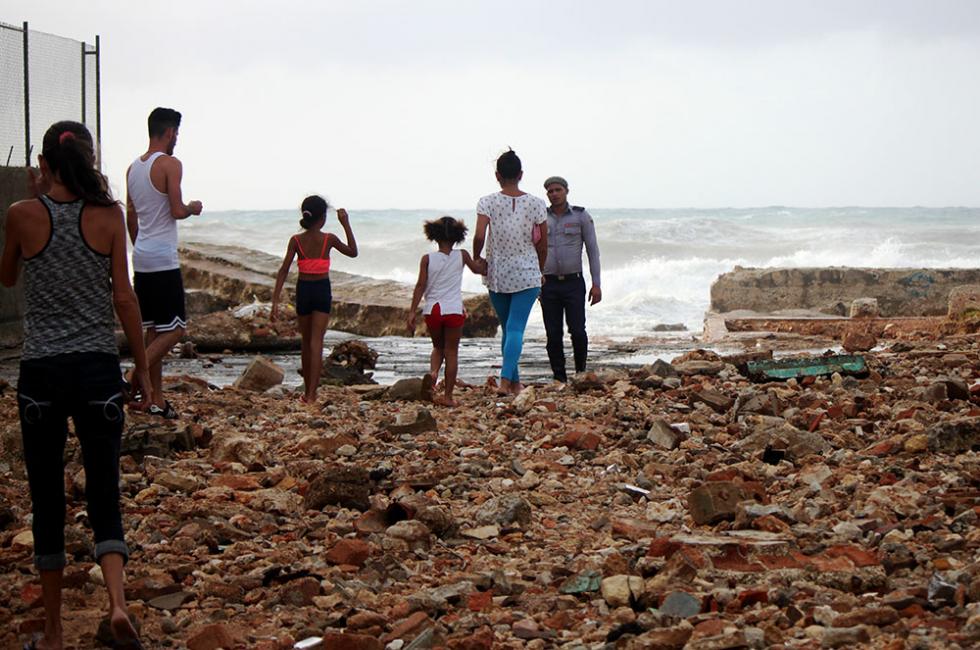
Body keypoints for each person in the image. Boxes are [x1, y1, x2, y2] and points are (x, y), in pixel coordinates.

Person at [1, 121, 150, 650]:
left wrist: (30, 204)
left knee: (46, 499)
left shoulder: (22, 215)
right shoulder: (109, 216)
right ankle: (116, 605)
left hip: (41, 372)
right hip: (96, 370)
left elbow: (7, 276)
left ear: (44, 163)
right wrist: (146, 373)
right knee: (105, 489)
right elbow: (125, 299)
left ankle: (57, 632)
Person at [125, 107, 203, 419]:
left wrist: (139, 245)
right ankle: (133, 376)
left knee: (154, 329)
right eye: (176, 134)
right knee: (176, 330)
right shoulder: (171, 164)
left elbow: (132, 215)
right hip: (162, 258)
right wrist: (192, 208)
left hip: (141, 255)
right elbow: (175, 210)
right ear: (170, 132)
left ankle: (155, 398)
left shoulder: (132, 168)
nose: (176, 140)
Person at [473, 149, 548, 395]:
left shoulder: (487, 202)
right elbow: (542, 243)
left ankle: (505, 381)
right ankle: (513, 383)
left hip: (498, 274)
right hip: (527, 273)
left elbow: (479, 236)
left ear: (497, 176)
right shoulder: (537, 204)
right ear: (521, 174)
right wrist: (540, 269)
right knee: (514, 329)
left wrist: (477, 258)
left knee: (509, 328)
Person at [271, 195, 357, 404]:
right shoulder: (329, 239)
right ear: (323, 217)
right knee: (317, 342)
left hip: (304, 290)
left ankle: (307, 393)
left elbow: (283, 271)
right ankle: (311, 394)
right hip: (321, 290)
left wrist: (274, 300)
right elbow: (353, 252)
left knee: (306, 342)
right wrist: (346, 224)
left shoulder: (296, 240)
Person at [407, 216, 485, 406]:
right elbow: (478, 270)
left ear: (434, 235)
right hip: (453, 310)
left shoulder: (427, 258)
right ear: (458, 236)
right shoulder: (462, 255)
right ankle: (448, 396)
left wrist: (411, 312)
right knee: (451, 352)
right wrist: (486, 262)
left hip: (432, 310)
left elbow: (420, 286)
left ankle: (433, 375)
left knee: (437, 347)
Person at [540, 176, 602, 382]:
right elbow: (532, 251)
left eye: (558, 190)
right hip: (548, 283)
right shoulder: (541, 217)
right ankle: (559, 377)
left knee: (577, 329)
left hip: (573, 282)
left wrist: (596, 284)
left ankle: (580, 372)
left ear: (566, 191)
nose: (554, 194)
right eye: (550, 191)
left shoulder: (580, 216)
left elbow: (593, 251)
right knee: (553, 333)